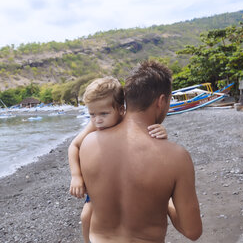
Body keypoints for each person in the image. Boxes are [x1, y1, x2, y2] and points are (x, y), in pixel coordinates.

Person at [80, 60, 202, 242]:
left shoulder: (88, 144)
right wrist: (166, 200)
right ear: (161, 101)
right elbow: (192, 231)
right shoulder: (176, 157)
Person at [68, 77, 168, 243]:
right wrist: (76, 176)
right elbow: (73, 146)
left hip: (126, 179)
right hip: (100, 181)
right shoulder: (94, 125)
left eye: (103, 114)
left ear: (121, 110)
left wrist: (160, 130)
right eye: (92, 114)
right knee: (86, 215)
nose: (97, 120)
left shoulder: (129, 123)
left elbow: (146, 134)